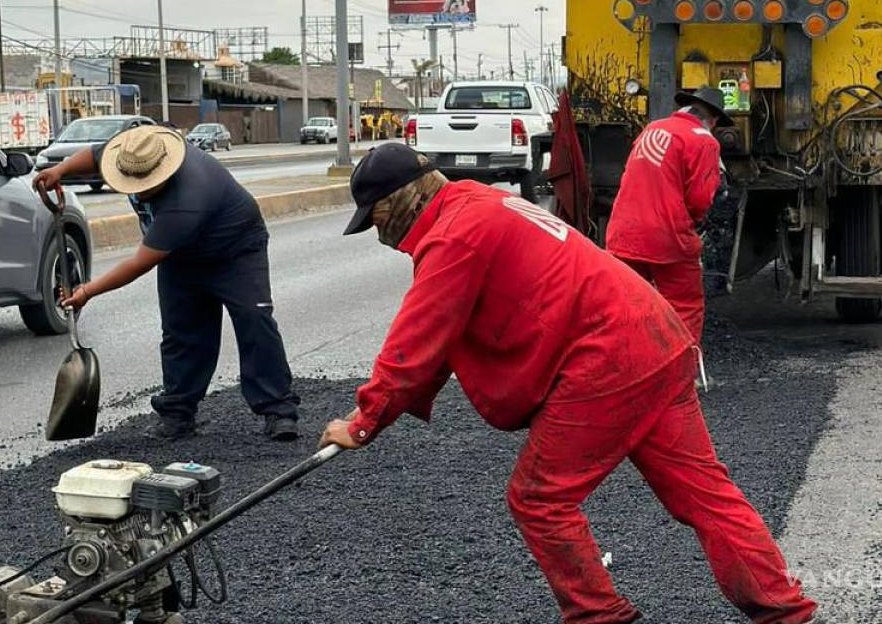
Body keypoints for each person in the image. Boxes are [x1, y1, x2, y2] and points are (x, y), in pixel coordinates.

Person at [318, 143, 816, 624]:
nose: (379, 232)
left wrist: (364, 422)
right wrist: (386, 409)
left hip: (609, 359)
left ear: (402, 200)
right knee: (704, 494)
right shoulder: (479, 202)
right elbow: (445, 336)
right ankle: (782, 609)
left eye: (376, 217)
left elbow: (417, 338)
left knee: (539, 497)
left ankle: (596, 613)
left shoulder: (454, 235)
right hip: (655, 337)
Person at [32, 126, 302, 441]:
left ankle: (278, 410)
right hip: (180, 255)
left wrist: (88, 291)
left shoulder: (187, 198)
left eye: (144, 184)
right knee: (181, 330)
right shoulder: (132, 153)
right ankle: (177, 413)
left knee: (254, 321)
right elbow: (94, 155)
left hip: (235, 248)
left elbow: (139, 263)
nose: (136, 189)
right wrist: (59, 170)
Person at [605, 87, 731, 346]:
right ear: (714, 120)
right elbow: (698, 200)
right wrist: (695, 227)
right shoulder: (704, 141)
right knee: (684, 305)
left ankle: (630, 368)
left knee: (628, 304)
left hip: (622, 233)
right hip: (667, 237)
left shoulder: (652, 128)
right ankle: (681, 376)